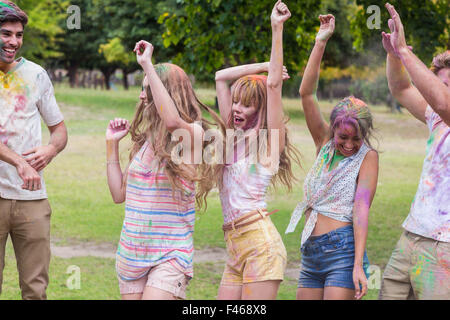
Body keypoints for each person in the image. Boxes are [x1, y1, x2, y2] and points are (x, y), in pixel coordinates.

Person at [106, 40, 222, 300]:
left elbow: (171, 121)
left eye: (148, 88)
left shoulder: (192, 134)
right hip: (131, 252)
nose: (141, 96)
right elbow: (117, 194)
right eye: (143, 88)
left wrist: (147, 64)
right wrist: (111, 145)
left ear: (168, 93)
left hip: (170, 254)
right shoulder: (143, 141)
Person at [285, 14, 379, 300]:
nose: (349, 144)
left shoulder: (368, 157)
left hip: (343, 251)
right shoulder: (323, 142)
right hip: (311, 252)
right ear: (333, 129)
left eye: (356, 138)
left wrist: (357, 265)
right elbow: (306, 93)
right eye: (343, 137)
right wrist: (320, 42)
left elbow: (361, 209)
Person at [215, 0, 300, 300]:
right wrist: (263, 67)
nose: (236, 108)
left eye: (246, 103)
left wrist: (277, 29)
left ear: (260, 110)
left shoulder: (268, 142)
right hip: (235, 246)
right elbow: (220, 77)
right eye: (235, 101)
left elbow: (274, 87)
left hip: (261, 246)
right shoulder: (231, 136)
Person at [379, 3, 449, 300]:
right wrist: (395, 55)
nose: (442, 91)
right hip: (411, 235)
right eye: (442, 83)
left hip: (444, 247)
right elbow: (400, 88)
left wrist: (406, 50)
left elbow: (445, 103)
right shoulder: (435, 117)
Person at [0, 1, 67, 300]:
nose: (13, 41)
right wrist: (19, 162)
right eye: (5, 34)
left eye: (18, 34)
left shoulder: (37, 75)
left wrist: (51, 150)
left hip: (31, 200)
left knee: (35, 290)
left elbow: (60, 131)